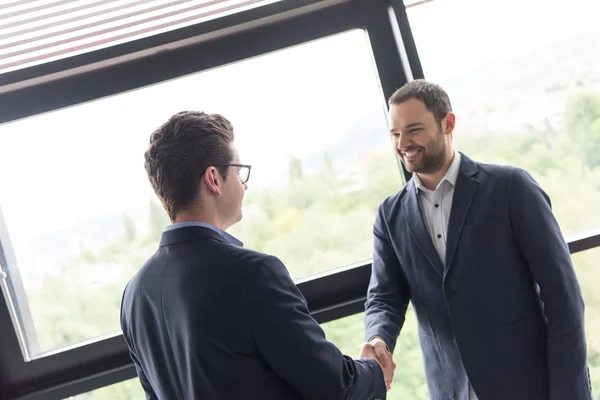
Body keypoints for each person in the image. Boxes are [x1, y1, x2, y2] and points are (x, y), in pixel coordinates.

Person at [120, 110, 394, 400]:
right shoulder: (253, 274)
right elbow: (335, 387)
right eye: (239, 172)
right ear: (214, 178)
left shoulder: (134, 296)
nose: (244, 183)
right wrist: (374, 370)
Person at [363, 80, 592, 400]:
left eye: (414, 129)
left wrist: (570, 393)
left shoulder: (511, 188)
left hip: (531, 385)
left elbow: (562, 296)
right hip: (451, 390)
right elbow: (384, 297)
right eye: (395, 134)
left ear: (448, 123)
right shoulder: (390, 216)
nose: (404, 143)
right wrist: (378, 339)